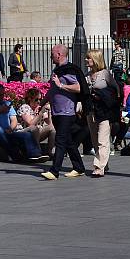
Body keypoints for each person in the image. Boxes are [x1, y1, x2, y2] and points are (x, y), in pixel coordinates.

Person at [40, 44, 88, 180]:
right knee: (68, 141)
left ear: (59, 54)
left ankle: (54, 171)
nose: (50, 56)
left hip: (66, 112)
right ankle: (79, 167)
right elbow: (52, 90)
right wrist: (42, 102)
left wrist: (61, 85)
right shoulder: (57, 70)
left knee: (60, 140)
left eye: (52, 53)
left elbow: (78, 87)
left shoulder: (68, 70)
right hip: (57, 111)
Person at [0, 83, 45, 163]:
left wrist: (11, 128)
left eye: (3, 94)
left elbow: (14, 120)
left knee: (26, 134)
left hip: (7, 133)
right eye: (0, 95)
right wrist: (0, 110)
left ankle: (35, 155)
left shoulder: (6, 104)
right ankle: (16, 155)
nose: (2, 97)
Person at [85, 49, 119, 178]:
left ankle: (99, 167)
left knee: (102, 140)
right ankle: (105, 164)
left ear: (95, 60)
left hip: (104, 110)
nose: (86, 60)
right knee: (94, 139)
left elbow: (115, 90)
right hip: (91, 110)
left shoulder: (105, 74)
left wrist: (104, 97)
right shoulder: (87, 75)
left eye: (89, 58)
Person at [16, 87, 54, 155]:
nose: (39, 101)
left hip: (37, 133)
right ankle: (37, 150)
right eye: (37, 99)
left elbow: (49, 123)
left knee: (52, 128)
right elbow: (30, 124)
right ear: (30, 99)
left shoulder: (39, 108)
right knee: (34, 128)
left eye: (40, 99)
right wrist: (40, 114)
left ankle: (50, 151)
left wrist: (49, 111)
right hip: (25, 133)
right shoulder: (25, 107)